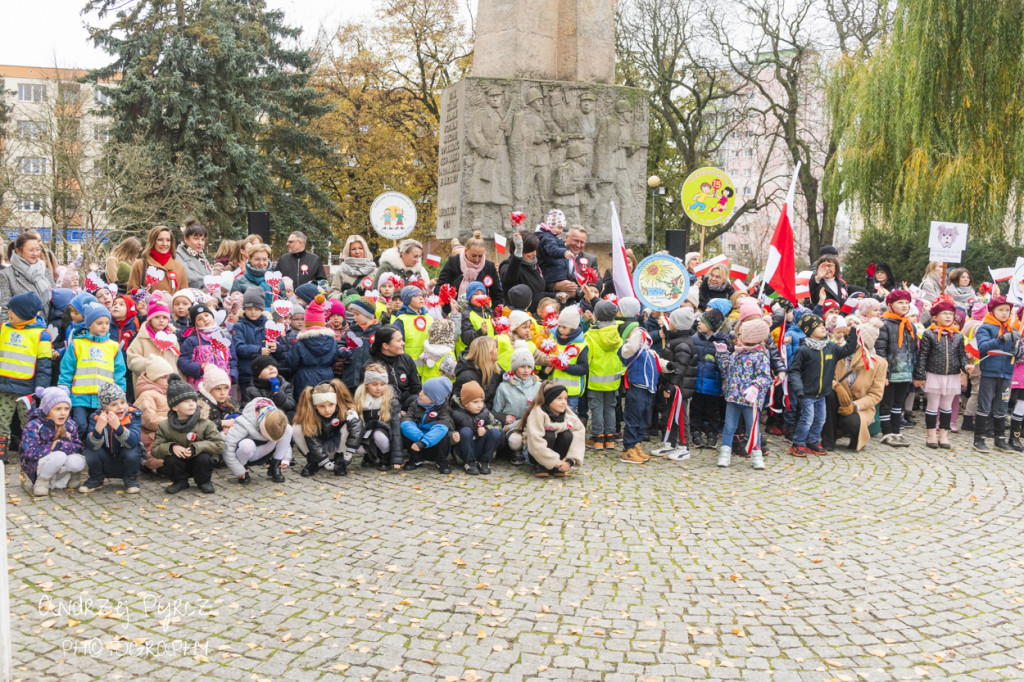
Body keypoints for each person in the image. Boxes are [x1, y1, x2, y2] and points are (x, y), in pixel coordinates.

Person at [787, 313, 859, 458]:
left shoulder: (830, 346)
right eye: (818, 326)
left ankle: (812, 441)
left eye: (822, 325)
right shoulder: (804, 350)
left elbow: (847, 350)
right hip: (807, 392)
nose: (823, 328)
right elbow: (794, 371)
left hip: (823, 392)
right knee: (807, 419)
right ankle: (798, 443)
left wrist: (852, 334)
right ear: (809, 330)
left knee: (820, 419)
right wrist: (798, 389)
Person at [713, 317, 775, 468]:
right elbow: (727, 370)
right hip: (734, 396)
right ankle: (725, 453)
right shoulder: (737, 353)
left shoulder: (760, 355)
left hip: (750, 400)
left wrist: (755, 387)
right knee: (729, 426)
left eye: (741, 334)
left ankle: (756, 455)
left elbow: (765, 377)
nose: (737, 337)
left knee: (752, 428)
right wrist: (721, 354)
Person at [59, 302, 128, 436]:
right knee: (80, 425)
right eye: (99, 323)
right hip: (79, 396)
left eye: (107, 323)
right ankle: (78, 448)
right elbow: (67, 369)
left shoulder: (113, 346)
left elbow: (119, 372)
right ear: (89, 324)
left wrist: (121, 393)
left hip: (103, 399)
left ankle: (93, 451)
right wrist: (64, 388)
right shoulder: (77, 344)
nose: (104, 326)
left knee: (99, 427)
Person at [0, 293, 52, 462]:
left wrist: (41, 388)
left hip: (27, 389)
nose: (9, 314)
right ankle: (2, 449)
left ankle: (29, 449)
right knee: (2, 419)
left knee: (28, 422)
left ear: (23, 313)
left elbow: (44, 365)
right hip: (4, 385)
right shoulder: (4, 328)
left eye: (12, 311)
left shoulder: (41, 335)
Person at [153, 375, 223, 495]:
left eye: (193, 401)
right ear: (175, 407)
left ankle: (204, 482)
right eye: (186, 401)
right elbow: (155, 449)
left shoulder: (205, 422)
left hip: (200, 461)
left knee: (204, 458)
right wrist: (171, 447)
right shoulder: (165, 425)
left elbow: (219, 444)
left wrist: (197, 447)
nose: (191, 404)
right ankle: (180, 482)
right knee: (170, 459)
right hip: (180, 462)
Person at [913, 298, 969, 448]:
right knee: (932, 405)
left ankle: (944, 434)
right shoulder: (929, 334)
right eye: (944, 314)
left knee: (947, 406)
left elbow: (961, 355)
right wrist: (920, 375)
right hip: (934, 374)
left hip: (952, 375)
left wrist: (966, 367)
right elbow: (923, 355)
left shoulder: (957, 336)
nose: (948, 317)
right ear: (935, 317)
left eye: (951, 314)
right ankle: (931, 434)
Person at [619, 319, 673, 464]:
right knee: (633, 419)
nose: (640, 333)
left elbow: (659, 362)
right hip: (637, 388)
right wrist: (635, 337)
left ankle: (637, 444)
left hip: (650, 390)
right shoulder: (628, 350)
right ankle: (628, 449)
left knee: (644, 420)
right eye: (635, 331)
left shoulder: (650, 352)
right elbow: (626, 352)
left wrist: (668, 366)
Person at [19, 386, 85, 496]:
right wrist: (53, 447)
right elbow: (30, 453)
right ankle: (42, 482)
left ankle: (73, 476)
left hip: (61, 468)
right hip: (39, 467)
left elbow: (79, 447)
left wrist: (64, 445)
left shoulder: (70, 424)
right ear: (47, 410)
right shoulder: (34, 425)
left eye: (66, 409)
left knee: (78, 461)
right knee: (59, 456)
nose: (63, 413)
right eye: (58, 409)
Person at [78, 383, 143, 494]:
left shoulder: (133, 415)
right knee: (91, 451)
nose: (120, 407)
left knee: (133, 450)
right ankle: (96, 479)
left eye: (123, 402)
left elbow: (133, 441)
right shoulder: (96, 417)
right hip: (106, 460)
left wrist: (118, 427)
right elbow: (92, 445)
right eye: (114, 405)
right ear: (105, 407)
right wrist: (98, 430)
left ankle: (130, 479)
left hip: (125, 460)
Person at [974, 296, 1018, 452]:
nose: (1005, 313)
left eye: (1007, 310)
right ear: (992, 311)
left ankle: (1000, 439)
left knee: (1002, 406)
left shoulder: (1012, 329)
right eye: (1001, 310)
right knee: (984, 405)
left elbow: (1015, 354)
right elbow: (983, 347)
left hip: (1006, 373)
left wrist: (1018, 352)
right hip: (989, 372)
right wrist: (1001, 339)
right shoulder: (985, 328)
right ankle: (979, 438)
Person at [875, 290, 918, 446]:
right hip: (891, 372)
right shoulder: (884, 324)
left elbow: (914, 350)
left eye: (907, 303)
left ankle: (896, 431)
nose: (904, 306)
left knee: (898, 403)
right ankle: (886, 432)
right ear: (890, 305)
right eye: (900, 302)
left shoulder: (910, 325)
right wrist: (884, 373)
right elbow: (880, 350)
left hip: (905, 371)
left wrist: (915, 372)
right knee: (887, 402)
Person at [293, 380, 362, 477]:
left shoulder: (345, 410)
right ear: (315, 406)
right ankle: (313, 461)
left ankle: (340, 461)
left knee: (351, 422)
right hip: (317, 451)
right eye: (322, 406)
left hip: (338, 448)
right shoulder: (310, 415)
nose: (327, 410)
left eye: (331, 405)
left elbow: (356, 428)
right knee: (297, 427)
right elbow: (313, 442)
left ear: (336, 402)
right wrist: (324, 461)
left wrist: (350, 451)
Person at [657, 306, 699, 461]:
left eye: (672, 321)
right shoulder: (676, 340)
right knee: (670, 415)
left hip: (680, 388)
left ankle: (684, 446)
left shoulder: (683, 344)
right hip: (674, 386)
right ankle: (670, 443)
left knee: (681, 417)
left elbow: (679, 369)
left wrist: (669, 386)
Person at [520, 382, 584, 477]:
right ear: (549, 400)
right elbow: (535, 442)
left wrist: (569, 462)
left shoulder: (568, 414)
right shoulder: (538, 413)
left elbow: (579, 433)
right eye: (559, 399)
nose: (564, 402)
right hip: (535, 453)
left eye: (565, 398)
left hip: (556, 456)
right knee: (549, 434)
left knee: (567, 434)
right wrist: (555, 461)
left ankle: (558, 467)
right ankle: (541, 466)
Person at [224, 397, 293, 483]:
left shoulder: (276, 416)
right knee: (246, 444)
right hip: (248, 454)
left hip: (267, 449)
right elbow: (228, 447)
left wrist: (286, 456)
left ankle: (275, 466)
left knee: (288, 428)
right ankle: (244, 470)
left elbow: (282, 435)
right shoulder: (244, 422)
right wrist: (238, 469)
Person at [583, 300, 623, 450]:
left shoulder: (591, 334)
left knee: (596, 408)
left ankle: (598, 438)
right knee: (610, 407)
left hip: (595, 378)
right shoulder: (618, 333)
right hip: (613, 379)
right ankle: (610, 438)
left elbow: (588, 358)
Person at [493, 342, 540, 465]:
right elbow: (496, 411)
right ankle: (516, 451)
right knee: (515, 440)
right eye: (522, 367)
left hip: (534, 425)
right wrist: (505, 424)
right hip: (513, 429)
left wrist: (514, 424)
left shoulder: (539, 386)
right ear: (514, 368)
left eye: (529, 367)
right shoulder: (504, 387)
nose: (526, 370)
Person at [353, 364, 403, 470]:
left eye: (382, 384)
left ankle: (386, 456)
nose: (379, 388)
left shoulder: (391, 401)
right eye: (374, 384)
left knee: (378, 434)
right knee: (358, 444)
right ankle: (370, 455)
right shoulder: (360, 400)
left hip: (385, 433)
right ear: (367, 384)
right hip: (367, 432)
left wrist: (396, 458)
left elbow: (396, 431)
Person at [126, 297, 180, 394]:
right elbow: (132, 361)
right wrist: (151, 364)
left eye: (164, 318)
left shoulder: (172, 339)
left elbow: (176, 361)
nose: (161, 320)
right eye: (157, 317)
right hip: (149, 385)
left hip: (170, 384)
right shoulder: (141, 338)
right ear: (150, 319)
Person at [286, 295, 338, 396]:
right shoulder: (332, 341)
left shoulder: (300, 342)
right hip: (327, 376)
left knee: (306, 406)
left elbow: (292, 363)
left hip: (304, 379)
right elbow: (334, 360)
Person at [400, 377, 454, 474]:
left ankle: (441, 461)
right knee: (408, 430)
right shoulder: (415, 404)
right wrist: (420, 438)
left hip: (432, 444)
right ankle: (416, 459)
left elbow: (440, 428)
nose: (420, 393)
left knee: (443, 435)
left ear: (434, 400)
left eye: (425, 393)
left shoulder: (444, 410)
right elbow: (406, 421)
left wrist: (424, 442)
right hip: (417, 443)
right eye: (422, 390)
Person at [0, 231, 55, 325]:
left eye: (38, 249)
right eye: (31, 250)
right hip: (21, 331)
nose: (35, 253)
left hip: (46, 328)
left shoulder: (44, 271)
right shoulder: (7, 275)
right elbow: (5, 308)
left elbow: (55, 297)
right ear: (18, 250)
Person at [178, 302, 237, 388]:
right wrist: (200, 368)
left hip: (223, 386)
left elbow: (233, 361)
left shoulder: (225, 338)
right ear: (195, 323)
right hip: (201, 386)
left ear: (212, 316)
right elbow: (184, 362)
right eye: (199, 319)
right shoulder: (191, 341)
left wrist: (231, 376)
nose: (205, 319)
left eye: (206, 315)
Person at [541, 307, 588, 412]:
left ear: (573, 328)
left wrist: (564, 366)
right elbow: (546, 362)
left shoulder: (581, 345)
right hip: (553, 390)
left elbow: (583, 369)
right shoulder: (553, 340)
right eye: (559, 326)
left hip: (571, 393)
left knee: (569, 418)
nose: (561, 329)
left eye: (564, 327)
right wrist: (547, 369)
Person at [436, 231, 502, 306]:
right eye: (473, 255)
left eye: (480, 256)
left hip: (481, 313)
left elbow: (497, 294)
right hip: (453, 311)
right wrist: (449, 300)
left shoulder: (489, 266)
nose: (477, 260)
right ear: (466, 251)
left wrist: (492, 311)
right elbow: (440, 287)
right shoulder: (453, 262)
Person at [451, 380, 502, 475]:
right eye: (475, 402)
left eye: (481, 401)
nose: (480, 405)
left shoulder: (485, 412)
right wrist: (453, 437)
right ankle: (469, 462)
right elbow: (448, 432)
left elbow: (498, 425)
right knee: (466, 431)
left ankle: (484, 462)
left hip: (479, 446)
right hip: (463, 450)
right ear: (465, 403)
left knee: (495, 432)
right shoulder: (455, 413)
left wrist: (487, 428)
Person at [134, 356, 174, 472]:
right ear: (153, 378)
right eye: (163, 377)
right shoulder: (147, 395)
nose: (168, 380)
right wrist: (174, 422)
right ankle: (150, 465)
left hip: (169, 435)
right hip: (152, 439)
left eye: (169, 377)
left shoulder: (167, 392)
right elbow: (150, 420)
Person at [368, 325, 422, 410]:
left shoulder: (406, 359)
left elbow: (416, 388)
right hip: (383, 409)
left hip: (407, 407)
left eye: (402, 339)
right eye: (399, 341)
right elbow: (368, 396)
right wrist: (395, 412)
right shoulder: (371, 366)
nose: (403, 343)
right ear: (386, 345)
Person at [126, 225, 189, 295]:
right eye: (160, 240)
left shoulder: (179, 267)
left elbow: (184, 296)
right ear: (153, 241)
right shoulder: (139, 265)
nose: (165, 244)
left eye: (168, 240)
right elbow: (131, 295)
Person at [500, 232, 552, 313]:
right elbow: (509, 278)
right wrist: (518, 253)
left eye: (535, 250)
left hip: (536, 315)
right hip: (519, 315)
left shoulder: (533, 266)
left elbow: (538, 293)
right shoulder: (507, 264)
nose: (534, 254)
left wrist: (556, 296)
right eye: (530, 251)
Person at [392, 286, 434, 380]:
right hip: (408, 368)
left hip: (429, 366)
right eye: (415, 296)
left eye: (422, 295)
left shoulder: (429, 318)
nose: (420, 298)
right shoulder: (401, 320)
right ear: (407, 299)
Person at [535, 210, 578, 297]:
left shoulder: (552, 238)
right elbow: (552, 250)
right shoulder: (548, 238)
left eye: (562, 228)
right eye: (559, 227)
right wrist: (564, 252)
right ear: (550, 225)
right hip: (552, 276)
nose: (561, 231)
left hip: (556, 274)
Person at [453, 336, 503, 409]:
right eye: (496, 347)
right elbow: (469, 410)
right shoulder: (467, 377)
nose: (498, 350)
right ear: (487, 353)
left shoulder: (493, 367)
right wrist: (501, 417)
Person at [197, 365, 238, 440]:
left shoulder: (225, 400)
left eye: (226, 388)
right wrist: (222, 423)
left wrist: (232, 420)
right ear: (209, 390)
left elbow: (233, 413)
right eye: (218, 389)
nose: (223, 393)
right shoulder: (202, 405)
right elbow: (201, 428)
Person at [230, 243, 275, 308]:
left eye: (265, 259)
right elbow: (234, 308)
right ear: (250, 259)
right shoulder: (240, 281)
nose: (261, 263)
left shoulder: (276, 280)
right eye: (257, 259)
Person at [175, 219, 213, 289]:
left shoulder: (201, 256)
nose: (200, 243)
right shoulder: (178, 256)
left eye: (202, 239)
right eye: (196, 239)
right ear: (185, 239)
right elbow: (191, 280)